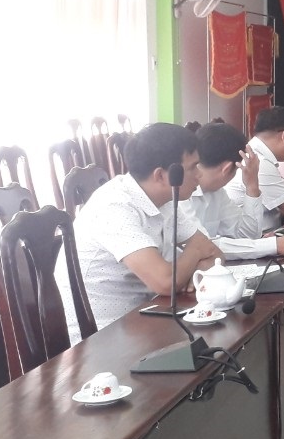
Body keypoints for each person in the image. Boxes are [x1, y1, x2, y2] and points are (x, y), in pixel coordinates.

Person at [63, 123, 221, 333]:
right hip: (102, 335)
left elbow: (214, 254)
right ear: (160, 176)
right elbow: (166, 282)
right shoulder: (115, 206)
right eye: (193, 167)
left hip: (147, 316)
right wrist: (195, 253)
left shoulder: (162, 198)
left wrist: (193, 275)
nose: (199, 174)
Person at [182, 121, 284, 260]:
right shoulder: (180, 195)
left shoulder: (217, 192)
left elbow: (247, 235)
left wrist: (252, 185)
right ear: (227, 169)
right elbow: (205, 247)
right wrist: (274, 245)